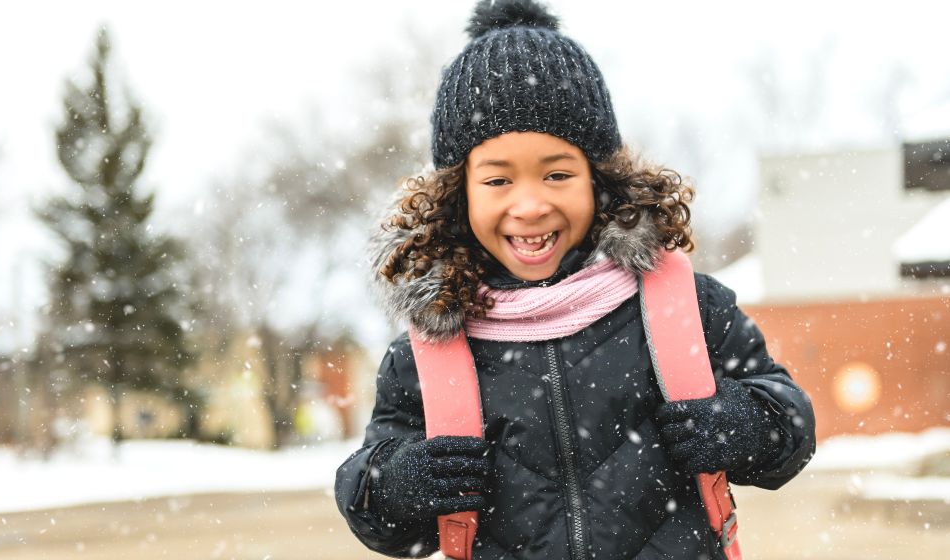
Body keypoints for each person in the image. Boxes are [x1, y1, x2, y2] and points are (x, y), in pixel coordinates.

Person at [334, 1, 816, 558]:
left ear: (599, 179)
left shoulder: (682, 307)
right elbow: (374, 507)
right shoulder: (430, 349)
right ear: (458, 194)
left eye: (558, 173)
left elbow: (788, 420)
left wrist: (743, 424)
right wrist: (400, 484)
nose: (530, 204)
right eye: (497, 180)